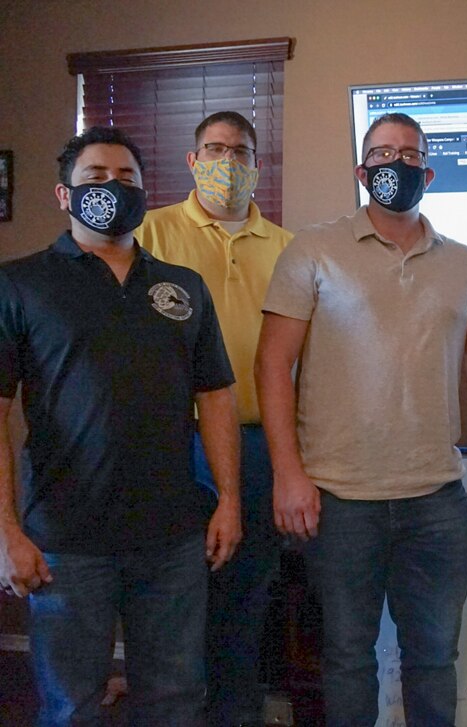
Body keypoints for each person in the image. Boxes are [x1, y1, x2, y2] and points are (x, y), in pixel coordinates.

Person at [255, 112, 467, 727]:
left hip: (436, 500)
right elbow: (272, 365)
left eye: (408, 154)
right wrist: (288, 475)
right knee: (346, 660)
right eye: (381, 154)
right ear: (361, 171)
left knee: (433, 659)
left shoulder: (465, 263)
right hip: (339, 500)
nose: (394, 164)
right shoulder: (313, 250)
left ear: (428, 171)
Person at [0, 126, 240, 725]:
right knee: (71, 706)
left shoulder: (182, 287)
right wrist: (6, 530)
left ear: (144, 191)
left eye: (126, 178)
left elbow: (215, 397)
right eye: (95, 177)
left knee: (175, 699)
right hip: (65, 540)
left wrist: (230, 499)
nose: (112, 187)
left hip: (172, 539)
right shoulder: (21, 284)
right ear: (64, 195)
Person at [136, 110, 292, 727]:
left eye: (241, 151)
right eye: (214, 148)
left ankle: (235, 714)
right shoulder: (150, 233)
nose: (227, 160)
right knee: (169, 598)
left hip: (255, 447)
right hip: (170, 446)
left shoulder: (287, 247)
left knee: (244, 601)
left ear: (257, 165)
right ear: (192, 160)